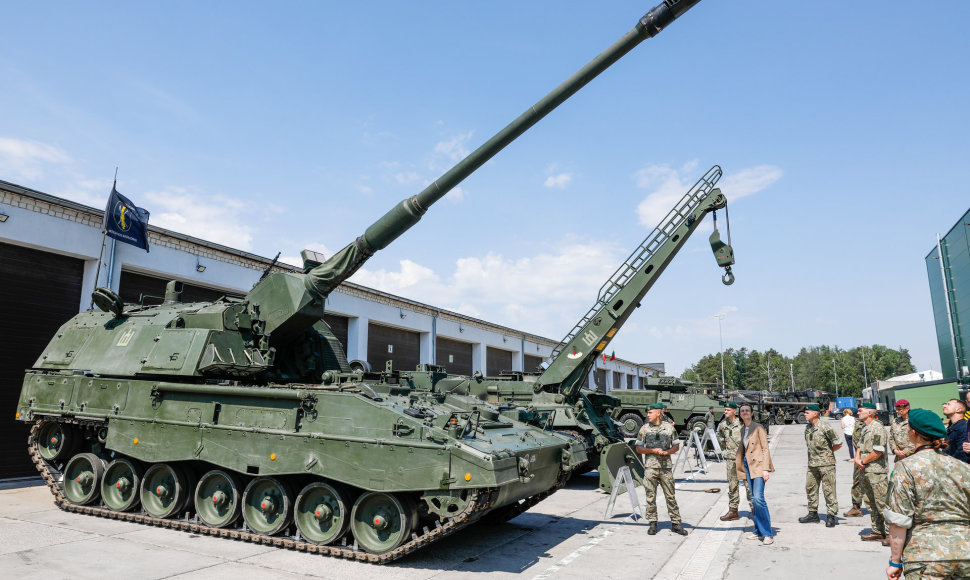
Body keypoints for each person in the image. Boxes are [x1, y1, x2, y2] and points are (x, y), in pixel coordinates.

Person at [884, 408, 970, 580]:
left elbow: (899, 521)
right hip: (965, 554)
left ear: (913, 433)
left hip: (926, 556)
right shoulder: (963, 467)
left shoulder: (906, 468)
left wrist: (895, 562)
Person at [636, 403, 688, 536]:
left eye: (650, 412)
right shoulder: (644, 428)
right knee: (650, 496)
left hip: (665, 468)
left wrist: (666, 452)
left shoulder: (669, 428)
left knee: (670, 496)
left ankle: (676, 524)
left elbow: (676, 446)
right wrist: (652, 450)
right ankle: (652, 523)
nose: (648, 415)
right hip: (650, 467)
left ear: (658, 413)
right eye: (647, 413)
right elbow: (638, 448)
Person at [736, 402, 774, 545]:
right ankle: (758, 530)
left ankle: (767, 534)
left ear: (752, 413)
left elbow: (765, 448)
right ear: (740, 414)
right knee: (753, 499)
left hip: (758, 466)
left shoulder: (758, 428)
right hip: (748, 466)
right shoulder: (742, 429)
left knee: (758, 498)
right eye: (742, 411)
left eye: (747, 410)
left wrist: (765, 469)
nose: (745, 412)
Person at [799, 404, 842, 527]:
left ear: (815, 414)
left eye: (807, 412)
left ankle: (831, 516)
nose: (805, 414)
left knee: (829, 490)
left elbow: (838, 443)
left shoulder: (825, 426)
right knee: (810, 488)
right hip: (812, 464)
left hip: (826, 464)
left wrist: (827, 453)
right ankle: (813, 514)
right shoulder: (808, 427)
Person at [855, 402, 889, 541]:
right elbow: (859, 446)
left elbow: (878, 451)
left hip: (876, 472)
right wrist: (857, 459)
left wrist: (863, 461)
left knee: (882, 503)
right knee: (870, 502)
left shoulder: (877, 428)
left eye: (860, 410)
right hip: (865, 470)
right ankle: (877, 530)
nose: (858, 413)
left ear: (870, 413)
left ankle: (890, 533)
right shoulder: (865, 428)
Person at [716, 402, 750, 521]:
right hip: (731, 459)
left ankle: (755, 510)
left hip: (744, 458)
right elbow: (719, 437)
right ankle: (733, 511)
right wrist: (726, 446)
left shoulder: (742, 424)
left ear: (734, 411)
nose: (725, 412)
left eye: (728, 410)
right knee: (732, 486)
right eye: (725, 410)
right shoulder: (723, 424)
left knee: (748, 485)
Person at [845, 412, 867, 518]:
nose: (858, 413)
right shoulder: (858, 423)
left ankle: (882, 509)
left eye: (861, 410)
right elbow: (856, 442)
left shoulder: (875, 425)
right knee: (856, 483)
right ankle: (856, 508)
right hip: (859, 458)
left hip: (872, 459)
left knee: (876, 485)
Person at [942, 398, 969, 463]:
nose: (944, 406)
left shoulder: (964, 428)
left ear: (959, 410)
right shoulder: (951, 427)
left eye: (949, 404)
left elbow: (962, 456)